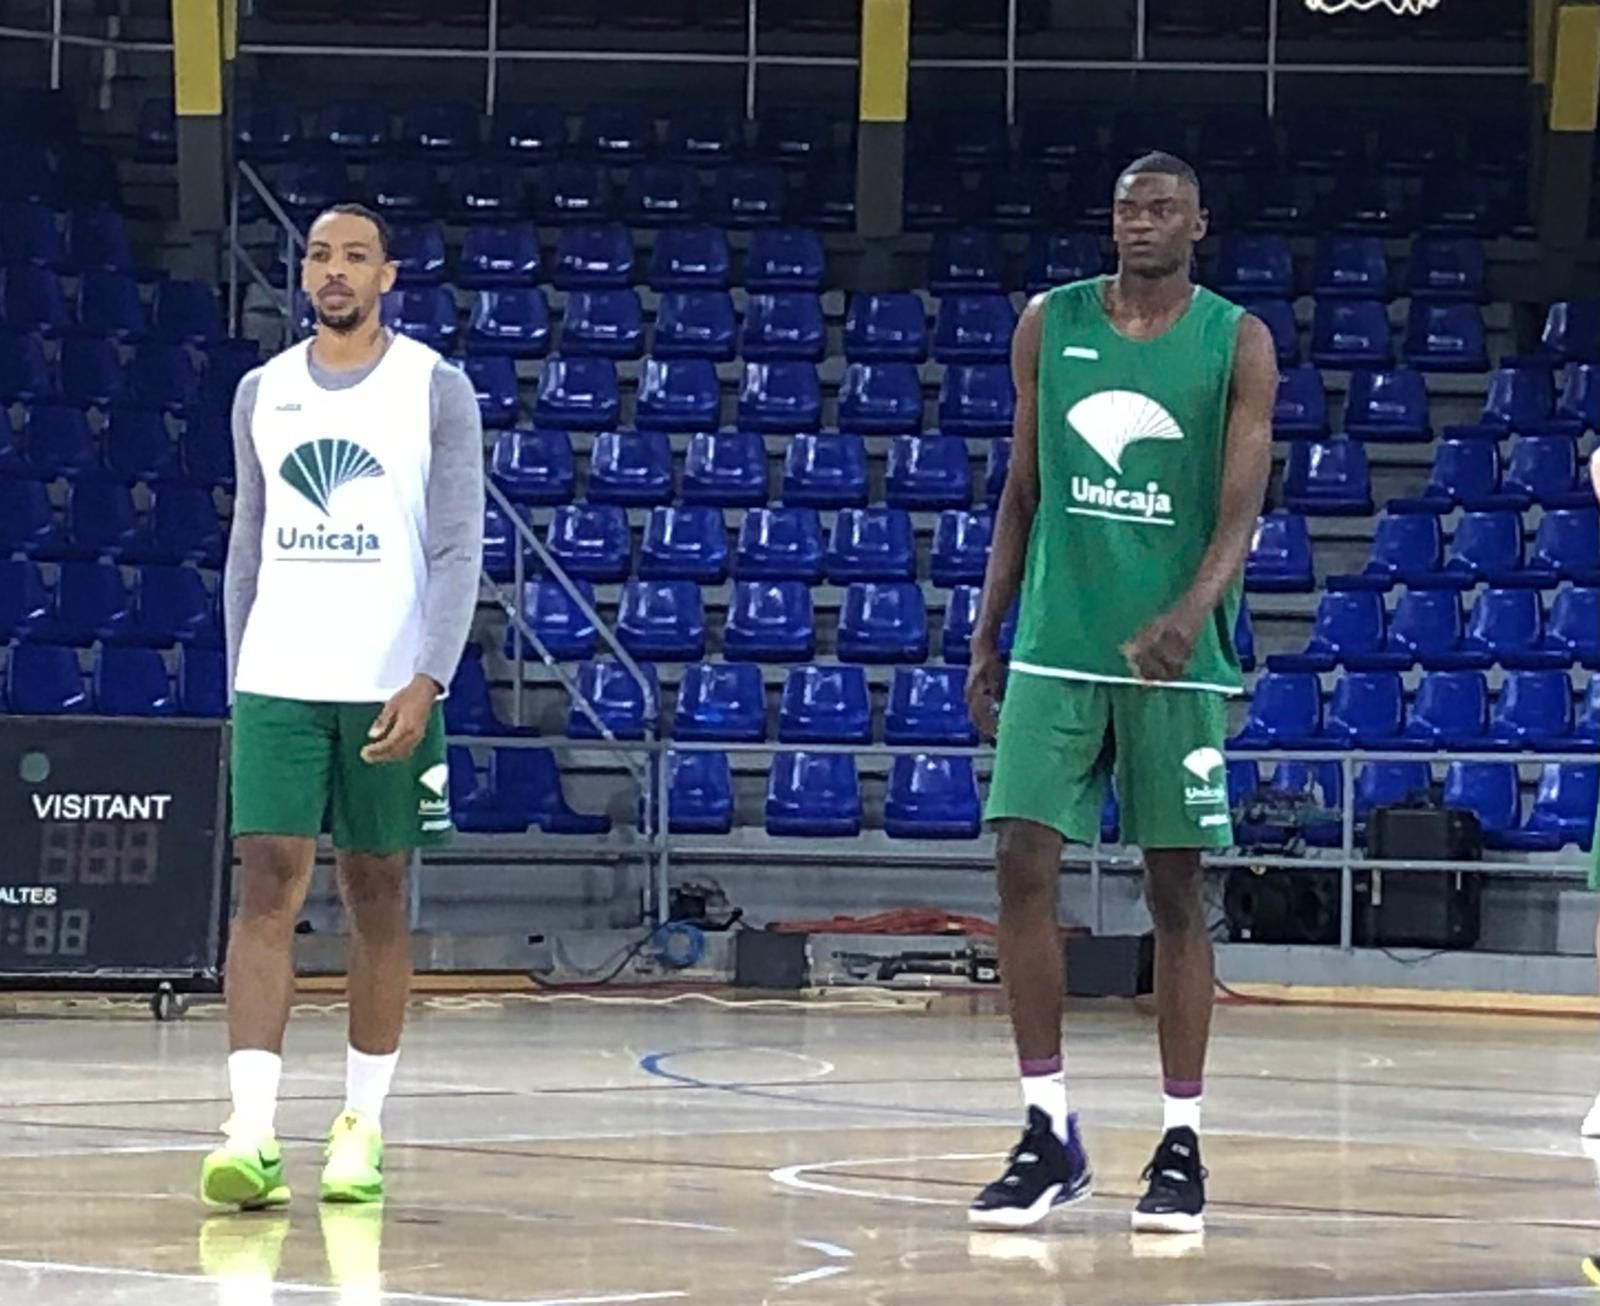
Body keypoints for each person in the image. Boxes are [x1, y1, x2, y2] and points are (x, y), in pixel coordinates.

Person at [964, 152, 1277, 1235]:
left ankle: (1180, 1139)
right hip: (1058, 637)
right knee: (1018, 860)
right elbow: (1020, 487)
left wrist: (1192, 610)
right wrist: (984, 631)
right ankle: (1046, 1129)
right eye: (1125, 207)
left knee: (1176, 890)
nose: (1139, 220)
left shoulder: (1235, 339)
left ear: (1200, 220)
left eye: (1161, 207)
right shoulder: (1047, 324)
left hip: (1172, 654)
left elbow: (1241, 508)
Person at [200, 203, 484, 1210]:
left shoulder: (434, 389)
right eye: (319, 254)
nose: (334, 269)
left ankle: (362, 1122)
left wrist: (429, 675)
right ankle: (249, 1125)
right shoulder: (260, 391)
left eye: (354, 256)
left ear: (386, 276)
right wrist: (242, 676)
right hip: (280, 674)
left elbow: (458, 549)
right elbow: (248, 546)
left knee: (375, 893)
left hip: (386, 681)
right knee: (265, 885)